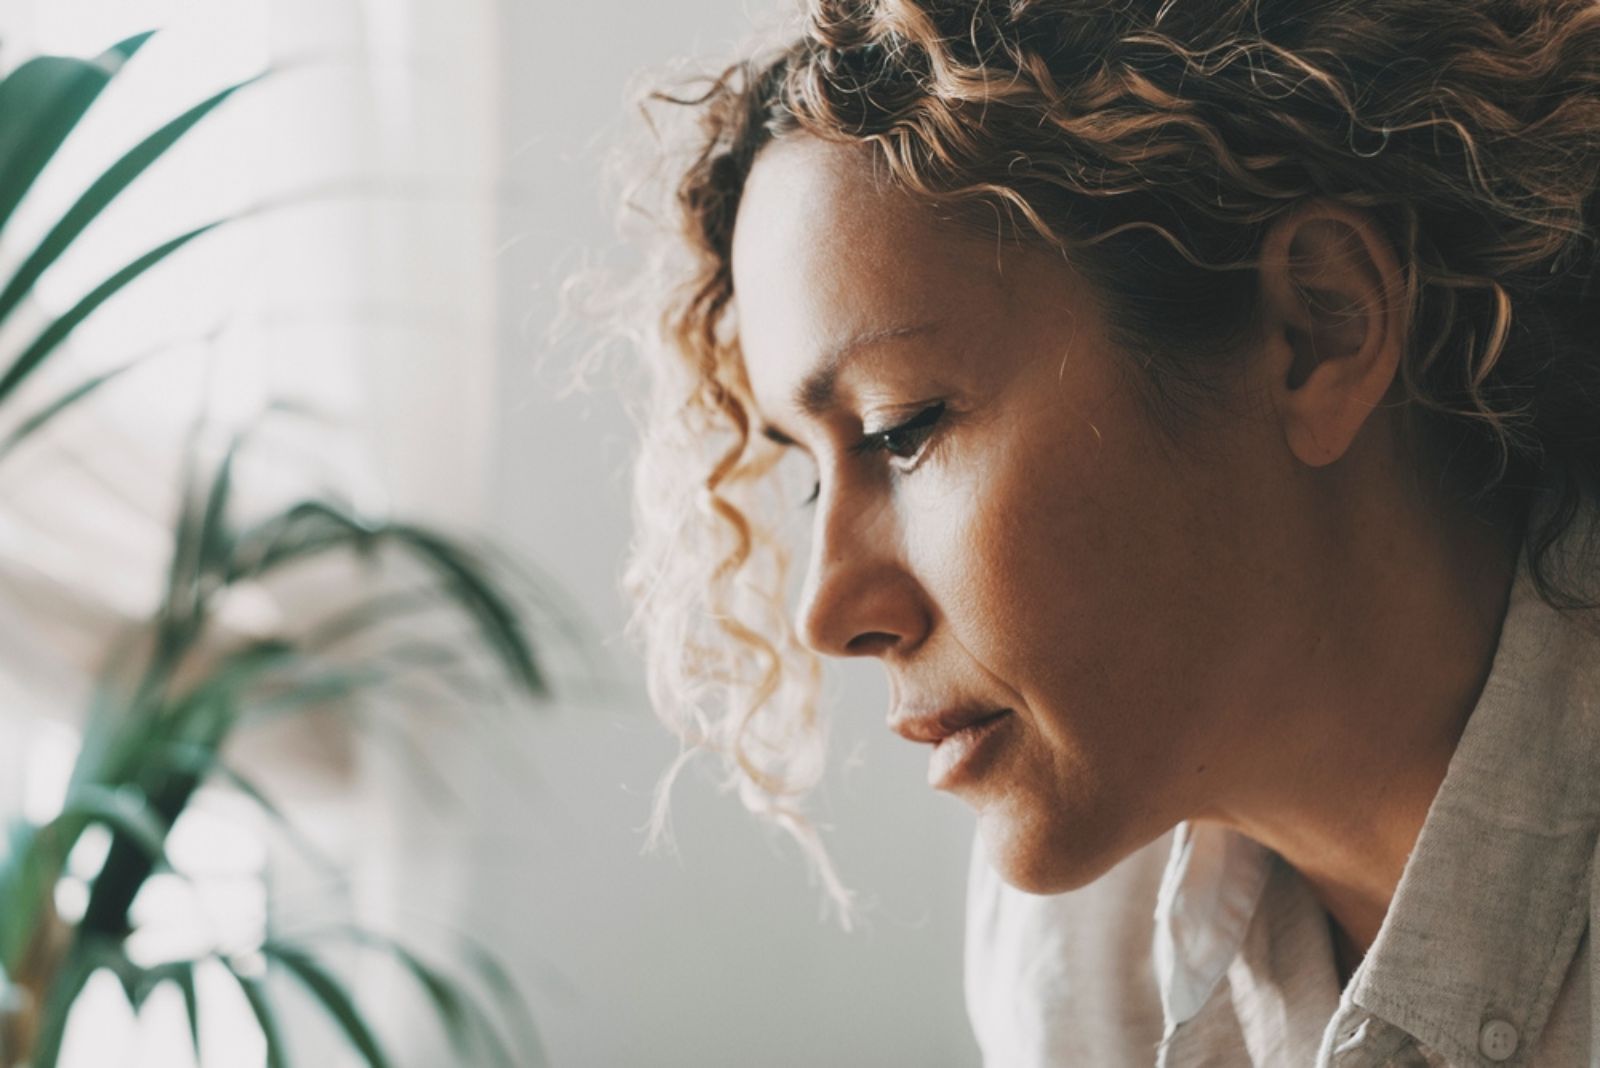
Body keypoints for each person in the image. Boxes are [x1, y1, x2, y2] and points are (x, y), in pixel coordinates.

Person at [620, 0, 1600, 1062]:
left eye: (900, 430)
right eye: (810, 475)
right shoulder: (1082, 935)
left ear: (1318, 326)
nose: (828, 611)